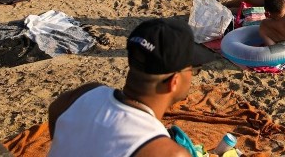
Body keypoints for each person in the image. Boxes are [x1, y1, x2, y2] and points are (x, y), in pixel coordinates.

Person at [47, 18, 212, 156]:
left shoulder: (83, 94)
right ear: (174, 81)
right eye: (194, 69)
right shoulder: (167, 153)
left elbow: (55, 110)